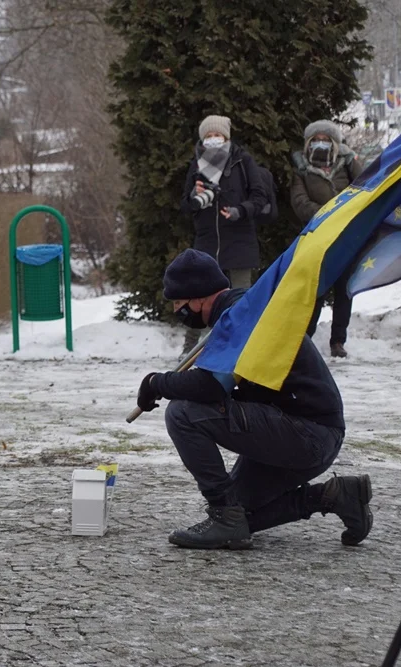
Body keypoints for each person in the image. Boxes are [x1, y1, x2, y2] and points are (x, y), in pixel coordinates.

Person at [136, 248, 373, 549]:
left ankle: (223, 514)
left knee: (183, 413)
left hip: (308, 432)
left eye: (178, 303)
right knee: (243, 514)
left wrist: (156, 383)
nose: (176, 311)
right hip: (308, 433)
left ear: (197, 297)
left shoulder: (241, 318)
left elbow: (209, 387)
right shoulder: (240, 312)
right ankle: (335, 495)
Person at [179, 115, 268, 355]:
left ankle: (243, 349)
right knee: (199, 295)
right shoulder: (196, 164)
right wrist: (195, 197)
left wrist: (240, 211)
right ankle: (192, 348)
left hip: (240, 239)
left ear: (226, 137)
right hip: (208, 239)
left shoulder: (242, 160)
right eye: (208, 136)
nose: (213, 139)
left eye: (217, 135)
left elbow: (260, 197)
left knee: (241, 299)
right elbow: (185, 206)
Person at [290, 120, 364, 358]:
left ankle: (338, 341)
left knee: (344, 291)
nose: (320, 143)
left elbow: (364, 189)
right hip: (317, 238)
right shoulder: (301, 168)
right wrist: (327, 214)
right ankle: (306, 339)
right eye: (316, 139)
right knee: (316, 291)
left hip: (346, 237)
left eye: (325, 139)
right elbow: (300, 202)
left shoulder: (348, 164)